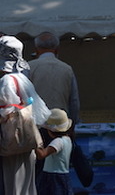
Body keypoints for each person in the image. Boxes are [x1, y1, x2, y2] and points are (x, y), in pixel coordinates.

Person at [0, 35, 52, 195]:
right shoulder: (22, 78)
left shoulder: (6, 81)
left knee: (14, 184)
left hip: (12, 141)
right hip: (26, 138)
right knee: (27, 185)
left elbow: (6, 111)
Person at [28, 31, 81, 125]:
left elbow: (23, 96)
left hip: (36, 122)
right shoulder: (67, 69)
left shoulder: (29, 67)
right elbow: (74, 101)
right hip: (60, 122)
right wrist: (73, 122)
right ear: (57, 49)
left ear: (36, 49)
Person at [35, 108, 73, 195]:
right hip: (61, 177)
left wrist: (33, 141)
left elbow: (42, 154)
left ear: (50, 130)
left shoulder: (58, 142)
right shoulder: (67, 140)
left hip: (53, 178)